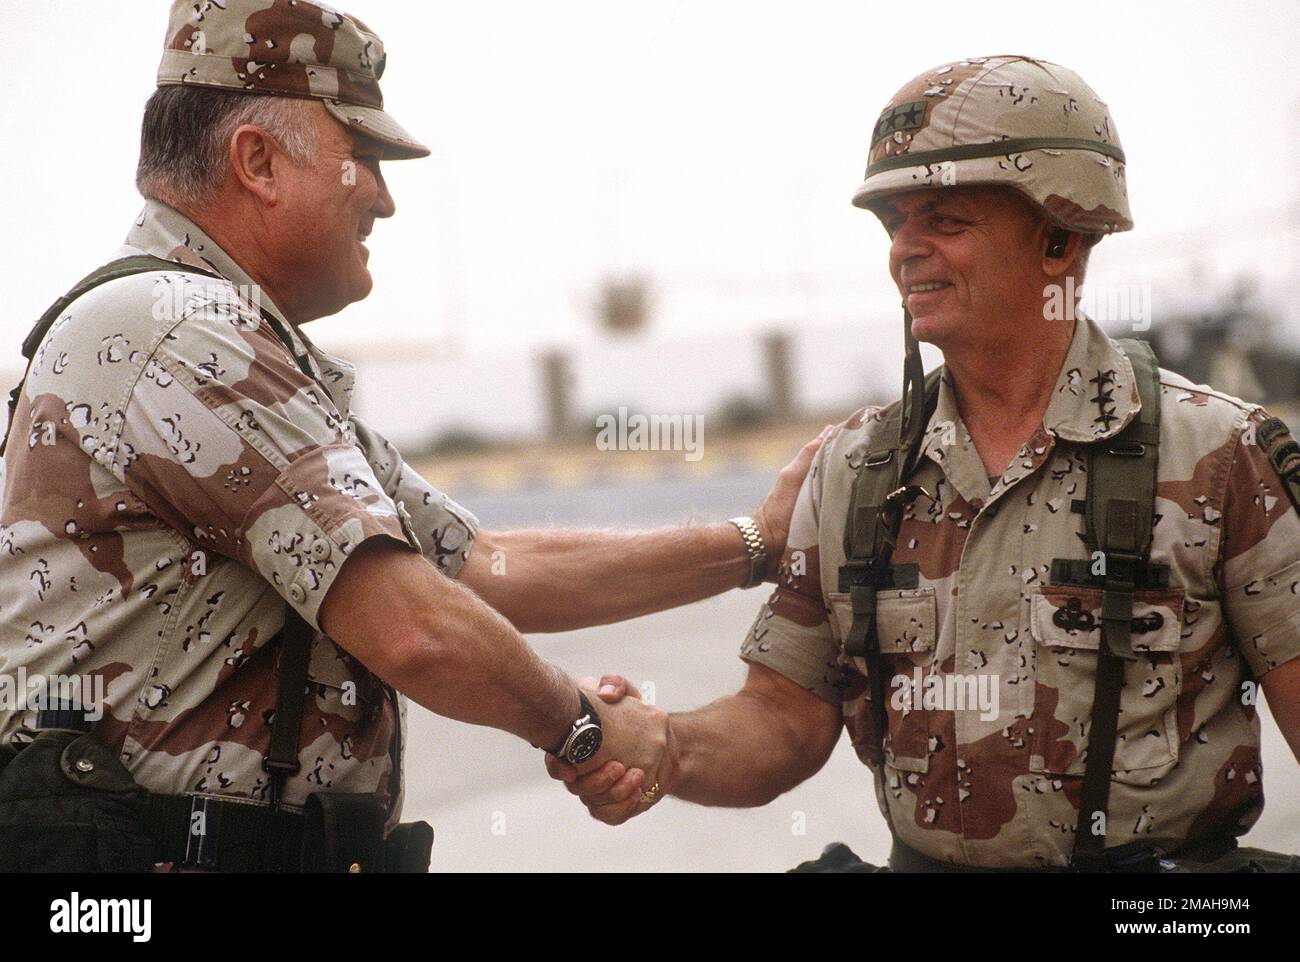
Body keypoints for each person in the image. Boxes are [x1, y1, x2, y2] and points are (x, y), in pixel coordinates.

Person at [0, 0, 825, 872]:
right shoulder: (180, 333)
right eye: (364, 161)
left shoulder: (231, 339)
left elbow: (477, 568)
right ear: (257, 161)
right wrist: (584, 730)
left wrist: (752, 545)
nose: (386, 202)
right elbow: (416, 629)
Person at [552, 55, 1300, 872]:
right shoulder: (856, 471)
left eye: (943, 220)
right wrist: (659, 743)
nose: (904, 251)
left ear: (1059, 238)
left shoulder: (1221, 459)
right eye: (894, 224)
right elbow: (781, 722)